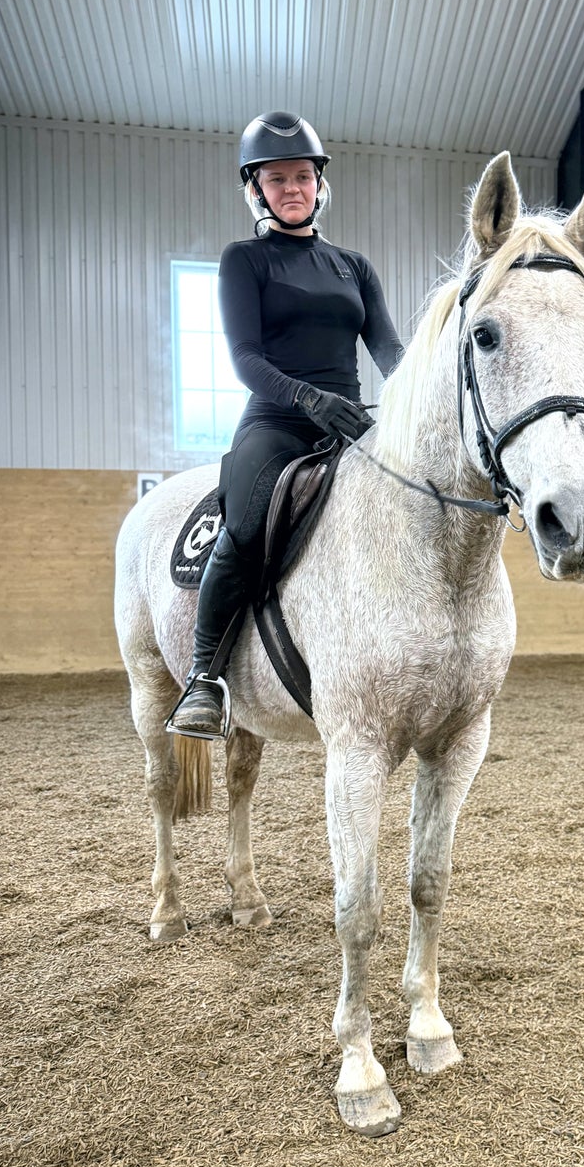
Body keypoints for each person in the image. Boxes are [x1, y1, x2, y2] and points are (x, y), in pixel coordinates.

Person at [168, 111, 404, 738]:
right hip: (274, 424)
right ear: (256, 189)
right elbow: (245, 359)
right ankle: (203, 678)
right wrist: (308, 399)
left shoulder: (352, 267)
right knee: (244, 529)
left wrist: (421, 390)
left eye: (303, 176)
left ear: (320, 183)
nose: (293, 188)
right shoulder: (245, 261)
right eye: (277, 180)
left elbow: (387, 349)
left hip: (351, 424)